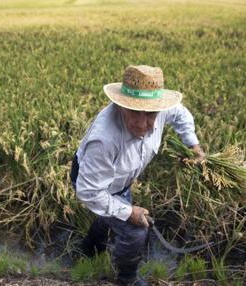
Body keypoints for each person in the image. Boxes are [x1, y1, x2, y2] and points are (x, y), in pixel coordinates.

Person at [70, 65, 205, 286]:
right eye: (135, 112)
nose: (143, 124)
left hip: (121, 182)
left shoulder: (163, 109)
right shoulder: (104, 139)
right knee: (135, 232)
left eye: (150, 115)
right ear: (122, 106)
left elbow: (180, 113)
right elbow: (89, 192)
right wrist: (129, 211)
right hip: (93, 183)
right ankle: (127, 279)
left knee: (110, 215)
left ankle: (88, 248)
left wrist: (193, 145)